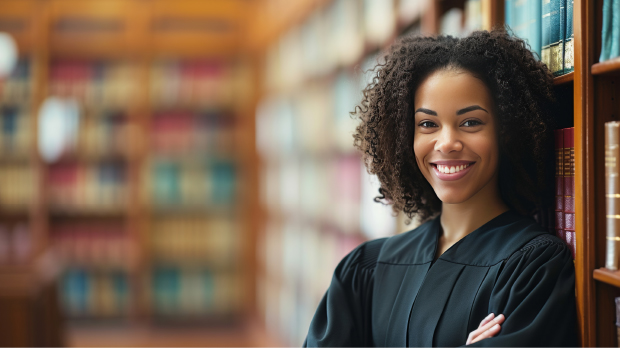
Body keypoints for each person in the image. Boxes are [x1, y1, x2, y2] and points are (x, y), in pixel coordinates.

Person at [303, 29, 577, 347]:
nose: (447, 143)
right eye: (428, 124)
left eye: (471, 122)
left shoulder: (532, 269)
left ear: (508, 131)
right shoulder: (367, 268)